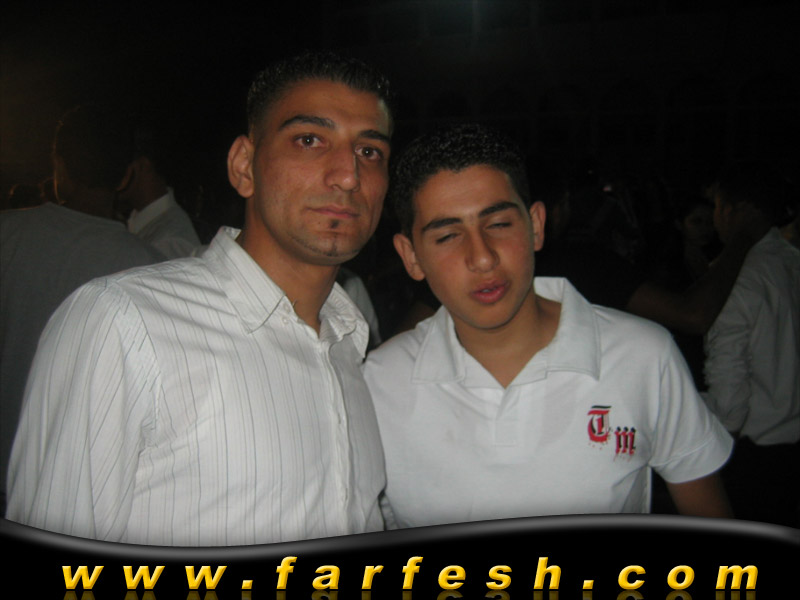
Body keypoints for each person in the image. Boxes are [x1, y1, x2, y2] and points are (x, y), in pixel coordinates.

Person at [6, 50, 394, 545]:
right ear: (244, 166)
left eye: (369, 151)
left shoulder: (349, 345)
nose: (348, 175)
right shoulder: (124, 323)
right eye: (309, 140)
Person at [363, 124, 734, 528]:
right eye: (449, 235)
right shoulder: (379, 383)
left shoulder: (643, 356)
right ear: (411, 256)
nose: (482, 258)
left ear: (536, 225)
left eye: (499, 224)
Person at [0, 105, 164, 514]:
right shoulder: (152, 269)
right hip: (79, 489)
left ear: (58, 165)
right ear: (125, 176)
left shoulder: (7, 235)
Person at [703, 160, 800, 527]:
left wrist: (718, 445)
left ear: (734, 210)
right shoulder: (792, 261)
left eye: (717, 206)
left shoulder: (737, 275)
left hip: (756, 453)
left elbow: (729, 373)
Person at [115, 120, 202, 258]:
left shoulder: (170, 242)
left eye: (119, 162)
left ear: (143, 165)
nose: (113, 171)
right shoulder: (140, 223)